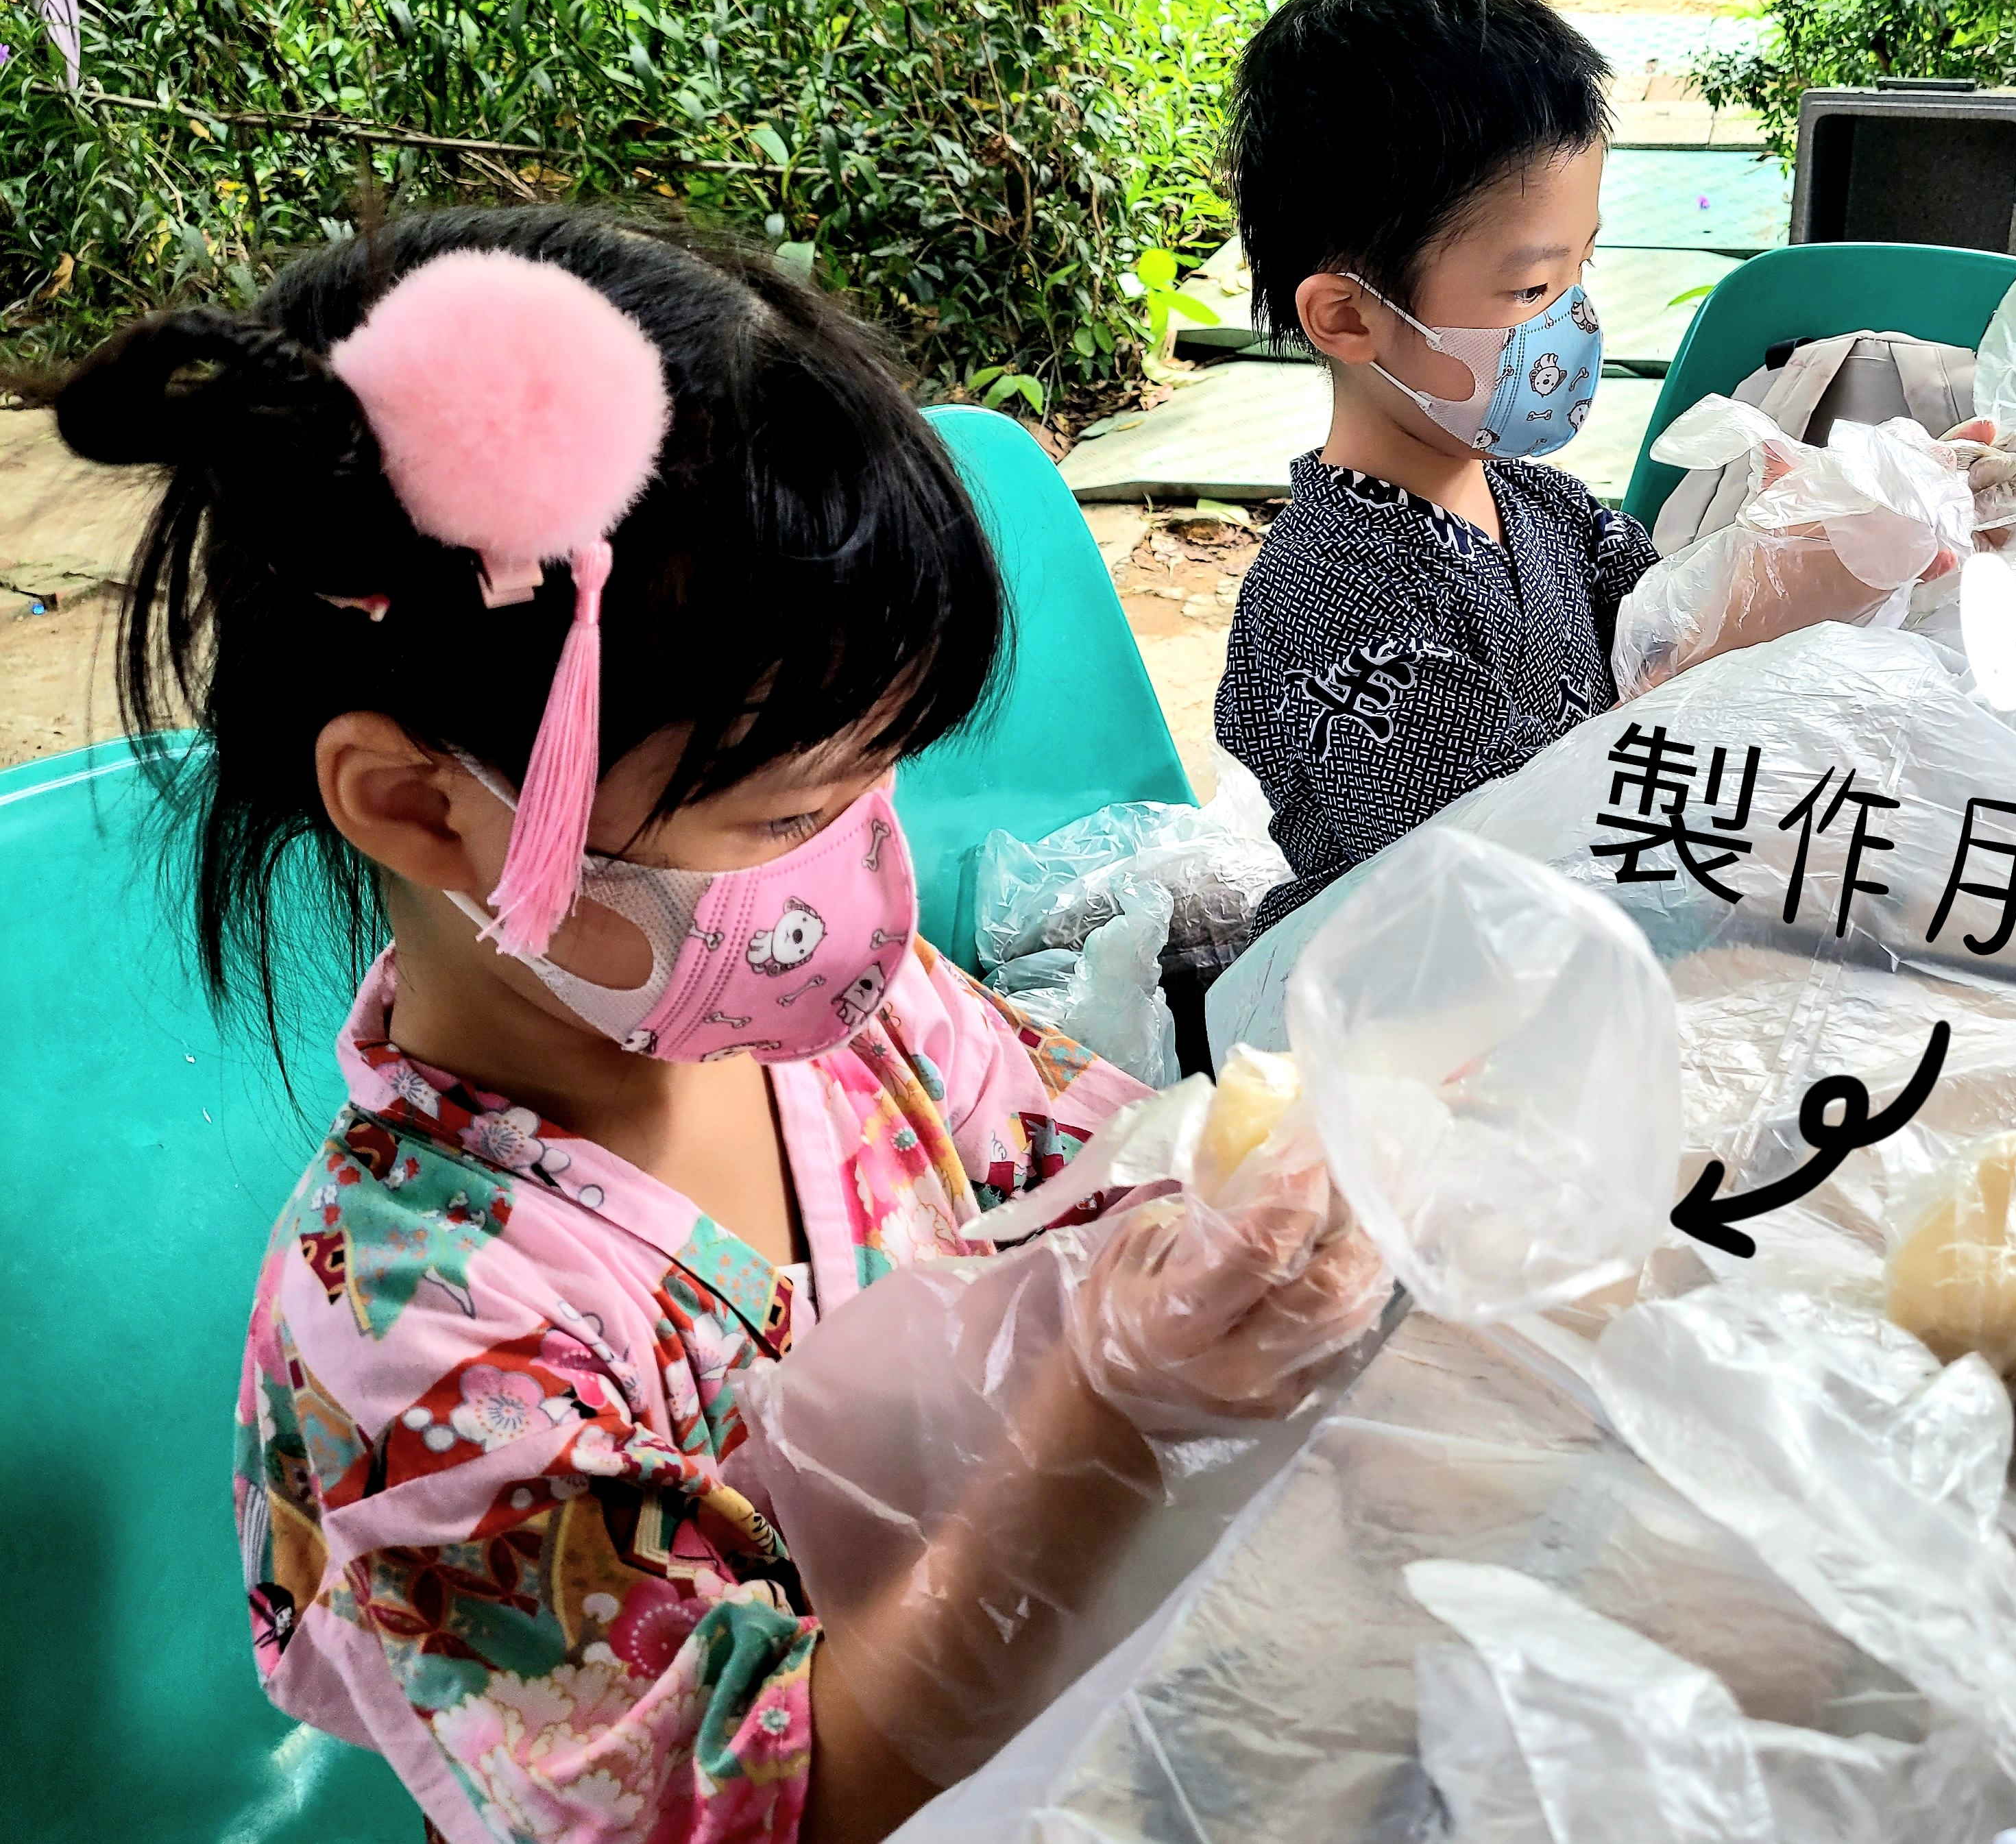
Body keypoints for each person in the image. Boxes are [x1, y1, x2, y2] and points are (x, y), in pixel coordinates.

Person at [26, 209, 1384, 1844]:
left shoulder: (848, 1025)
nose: (866, 870)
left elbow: (1103, 1180)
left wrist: (1272, 1225)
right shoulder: (416, 1360)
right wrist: (1105, 1419)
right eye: (788, 816)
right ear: (419, 808)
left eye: (879, 779)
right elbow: (780, 1808)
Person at [1215, 0, 1992, 938]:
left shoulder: (1546, 510)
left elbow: (1677, 618)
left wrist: (1843, 531)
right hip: (1403, 1005)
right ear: (1348, 316)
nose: (1577, 319)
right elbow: (1496, 864)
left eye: (1584, 265)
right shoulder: (1337, 595)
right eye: (1533, 289)